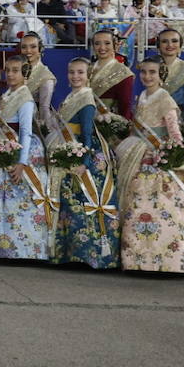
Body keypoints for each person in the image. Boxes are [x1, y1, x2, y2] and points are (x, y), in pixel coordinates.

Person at [116, 58, 184, 274]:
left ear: (161, 75)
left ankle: (169, 257)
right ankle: (139, 258)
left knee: (163, 207)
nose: (147, 76)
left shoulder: (165, 99)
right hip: (138, 155)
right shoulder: (142, 96)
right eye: (143, 72)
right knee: (135, 206)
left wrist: (183, 159)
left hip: (158, 158)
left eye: (152, 72)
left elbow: (175, 134)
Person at [0, 56, 50, 261]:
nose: (11, 74)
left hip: (20, 150)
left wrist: (22, 162)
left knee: (15, 199)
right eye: (8, 70)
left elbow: (25, 132)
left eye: (16, 70)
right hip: (1, 146)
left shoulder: (26, 99)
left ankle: (22, 248)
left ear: (25, 73)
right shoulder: (7, 94)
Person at [46, 58, 119, 269]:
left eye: (80, 73)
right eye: (71, 72)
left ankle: (87, 255)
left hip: (80, 154)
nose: (75, 76)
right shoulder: (71, 95)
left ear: (88, 76)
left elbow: (87, 134)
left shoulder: (86, 98)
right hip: (68, 150)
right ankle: (69, 253)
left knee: (80, 205)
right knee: (69, 206)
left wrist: (84, 163)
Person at [155, 28, 184, 119]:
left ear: (180, 45)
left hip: (176, 118)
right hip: (151, 117)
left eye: (174, 41)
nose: (170, 45)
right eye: (164, 41)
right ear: (158, 46)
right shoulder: (150, 66)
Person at [89, 30, 134, 119]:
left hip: (110, 125)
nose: (102, 47)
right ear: (93, 46)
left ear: (115, 45)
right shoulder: (87, 69)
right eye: (97, 43)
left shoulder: (123, 72)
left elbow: (125, 106)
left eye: (107, 43)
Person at [19, 33, 56, 134]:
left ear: (40, 49)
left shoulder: (45, 76)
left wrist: (46, 133)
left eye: (33, 47)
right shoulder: (18, 70)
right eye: (24, 47)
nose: (28, 51)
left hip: (34, 125)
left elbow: (44, 108)